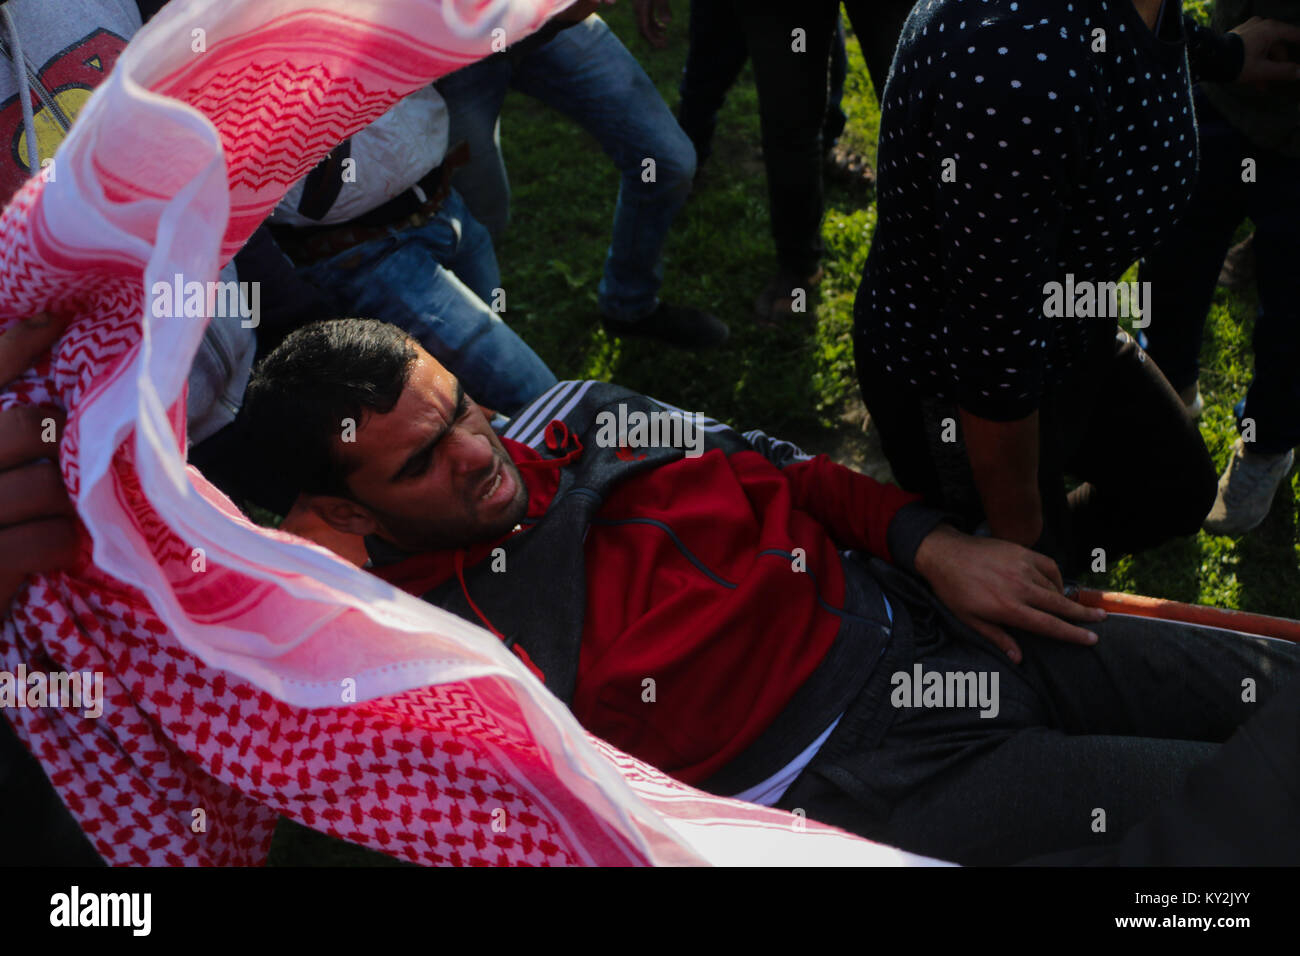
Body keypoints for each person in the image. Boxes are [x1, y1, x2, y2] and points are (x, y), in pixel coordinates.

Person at [242, 317, 1300, 865]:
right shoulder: (404, 648)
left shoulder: (585, 413)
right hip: (862, 777)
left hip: (939, 616)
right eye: (423, 459)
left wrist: (933, 543)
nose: (480, 448)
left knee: (1278, 693)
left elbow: (784, 467)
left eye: (463, 405)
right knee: (1256, 818)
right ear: (341, 517)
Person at [852, 0, 1300, 576]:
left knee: (1175, 487)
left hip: (1066, 332)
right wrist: (1025, 544)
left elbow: (1128, 31)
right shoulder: (1016, 63)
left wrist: (1222, 54)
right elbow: (991, 354)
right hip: (964, 391)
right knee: (1009, 603)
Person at [435, 3, 729, 349]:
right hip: (448, 54)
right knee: (478, 226)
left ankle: (628, 304)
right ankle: (471, 373)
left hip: (544, 25)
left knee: (664, 161)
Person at [1140, 0, 1300, 536]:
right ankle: (1167, 397)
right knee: (1171, 258)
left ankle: (1266, 446)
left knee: (1291, 320)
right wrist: (1220, 48)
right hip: (1225, 86)